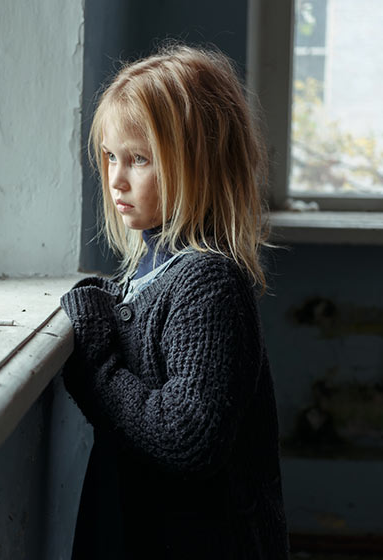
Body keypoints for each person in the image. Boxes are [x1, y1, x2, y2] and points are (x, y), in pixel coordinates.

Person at [60, 44, 288, 559]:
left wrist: (97, 364)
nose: (117, 178)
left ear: (200, 164)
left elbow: (185, 435)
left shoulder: (208, 284)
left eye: (139, 159)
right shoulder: (150, 268)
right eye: (111, 157)